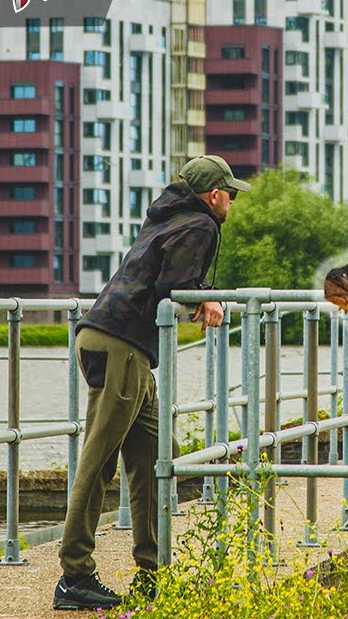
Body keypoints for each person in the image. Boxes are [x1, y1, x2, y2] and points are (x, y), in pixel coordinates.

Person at [53, 155, 249, 610]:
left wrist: (197, 296)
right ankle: (74, 576)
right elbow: (173, 286)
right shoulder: (200, 225)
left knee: (154, 455)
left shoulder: (169, 216)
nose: (233, 202)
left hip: (122, 345)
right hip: (118, 344)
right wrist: (206, 300)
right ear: (215, 195)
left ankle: (153, 573)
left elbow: (163, 280)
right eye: (231, 194)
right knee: (99, 461)